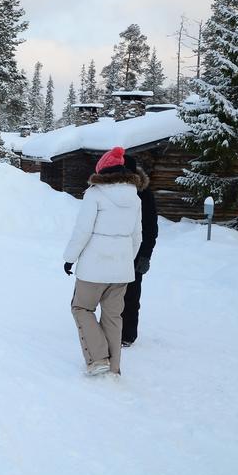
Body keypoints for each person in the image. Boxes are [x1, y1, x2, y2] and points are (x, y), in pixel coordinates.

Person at [62, 146, 143, 376]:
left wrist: (70, 258)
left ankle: (98, 359)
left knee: (81, 307)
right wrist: (127, 259)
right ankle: (114, 366)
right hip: (122, 268)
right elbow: (138, 236)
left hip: (94, 268)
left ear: (102, 170)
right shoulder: (134, 196)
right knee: (113, 316)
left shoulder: (95, 193)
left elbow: (82, 231)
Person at [121, 154, 158, 347]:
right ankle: (110, 330)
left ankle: (127, 335)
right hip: (114, 251)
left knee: (132, 294)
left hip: (137, 252)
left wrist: (146, 255)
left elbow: (151, 227)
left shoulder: (143, 193)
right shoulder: (114, 191)